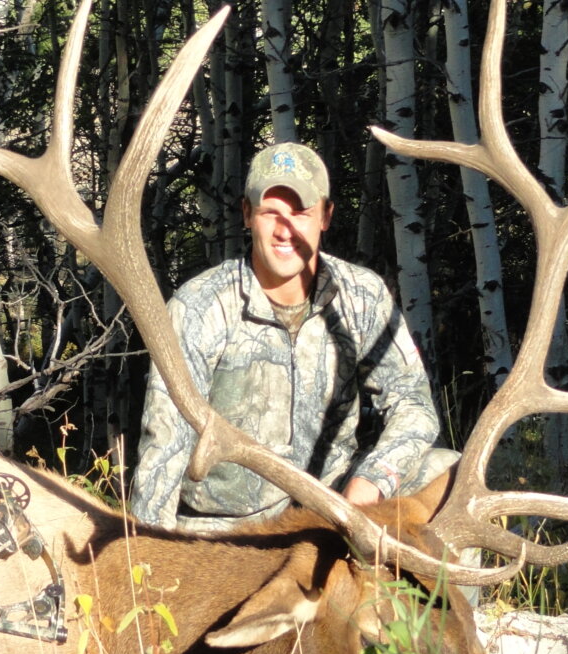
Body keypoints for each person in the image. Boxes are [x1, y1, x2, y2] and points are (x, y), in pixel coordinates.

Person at [129, 141, 450, 532]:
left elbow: (414, 404)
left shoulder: (362, 295)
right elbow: (165, 444)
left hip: (328, 515)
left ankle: (436, 579)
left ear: (326, 216)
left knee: (447, 472)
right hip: (227, 532)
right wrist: (145, 556)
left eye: (301, 212)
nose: (285, 230)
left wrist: (372, 480)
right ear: (247, 214)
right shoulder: (199, 306)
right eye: (270, 213)